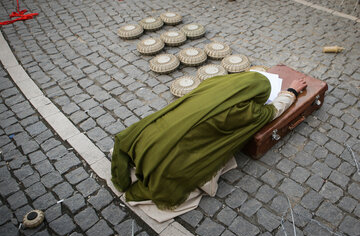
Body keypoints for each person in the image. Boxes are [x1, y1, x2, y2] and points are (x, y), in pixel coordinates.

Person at [111, 71, 307, 220]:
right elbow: (274, 110)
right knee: (185, 172)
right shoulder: (247, 111)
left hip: (147, 136)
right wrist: (290, 91)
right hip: (170, 158)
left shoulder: (214, 83)